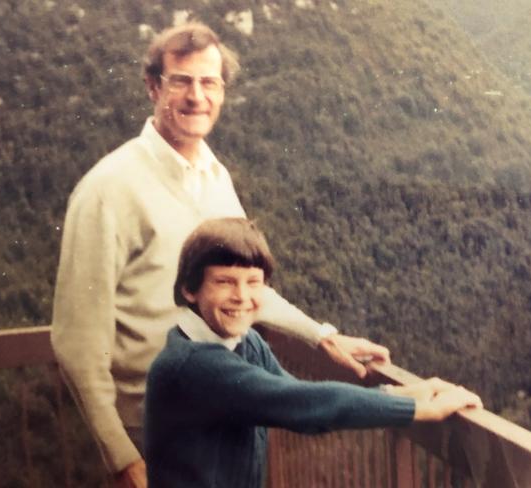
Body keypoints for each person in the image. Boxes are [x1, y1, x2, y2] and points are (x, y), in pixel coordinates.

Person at [51, 21, 391, 488]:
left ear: (223, 92)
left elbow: (244, 286)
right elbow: (78, 342)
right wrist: (122, 456)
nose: (197, 96)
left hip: (222, 419)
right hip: (151, 431)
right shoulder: (108, 189)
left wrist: (322, 336)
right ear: (153, 87)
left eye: (209, 82)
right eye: (181, 81)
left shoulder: (214, 176)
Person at [144, 217, 483, 488]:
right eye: (224, 282)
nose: (242, 296)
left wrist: (407, 392)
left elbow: (294, 393)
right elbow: (306, 405)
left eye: (253, 282)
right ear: (189, 289)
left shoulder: (244, 343)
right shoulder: (192, 366)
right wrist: (419, 409)